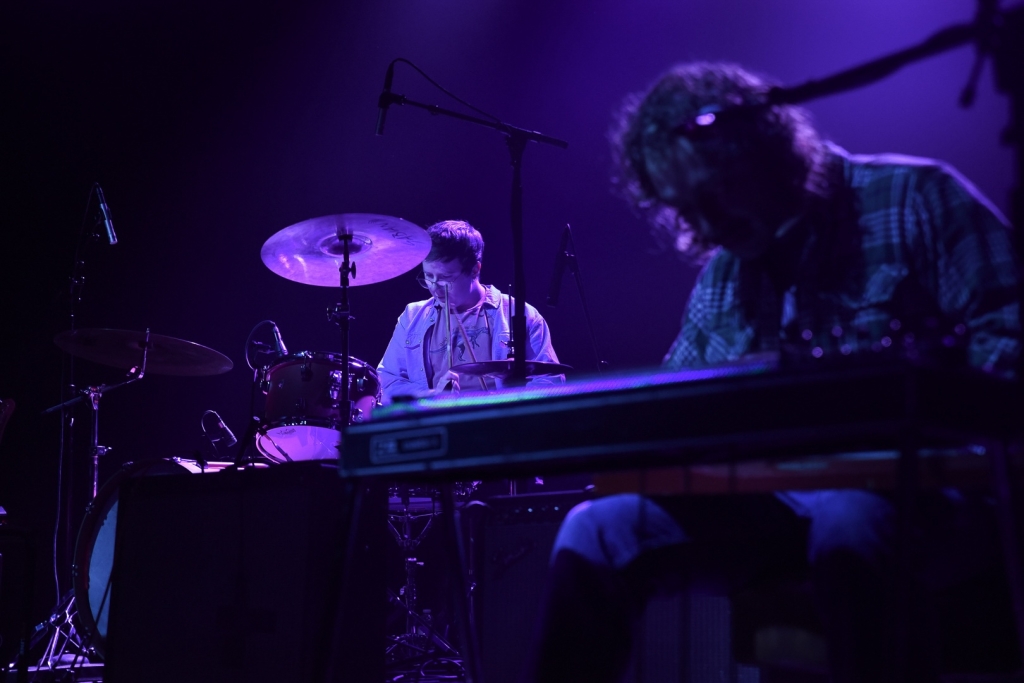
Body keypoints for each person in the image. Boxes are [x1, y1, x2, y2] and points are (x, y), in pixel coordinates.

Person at [526, 63, 1019, 683]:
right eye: (685, 211)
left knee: (850, 521)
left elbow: (1011, 331)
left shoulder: (916, 199)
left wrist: (933, 403)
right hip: (774, 510)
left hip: (928, 498)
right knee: (595, 531)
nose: (707, 226)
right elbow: (677, 408)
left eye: (715, 194)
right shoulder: (725, 275)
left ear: (767, 153)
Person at [377, 219, 562, 402]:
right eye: (428, 276)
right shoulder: (411, 316)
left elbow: (552, 382)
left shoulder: (521, 314)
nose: (434, 288)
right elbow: (386, 383)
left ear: (475, 270)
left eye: (445, 278)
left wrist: (510, 397)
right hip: (438, 419)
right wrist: (432, 395)